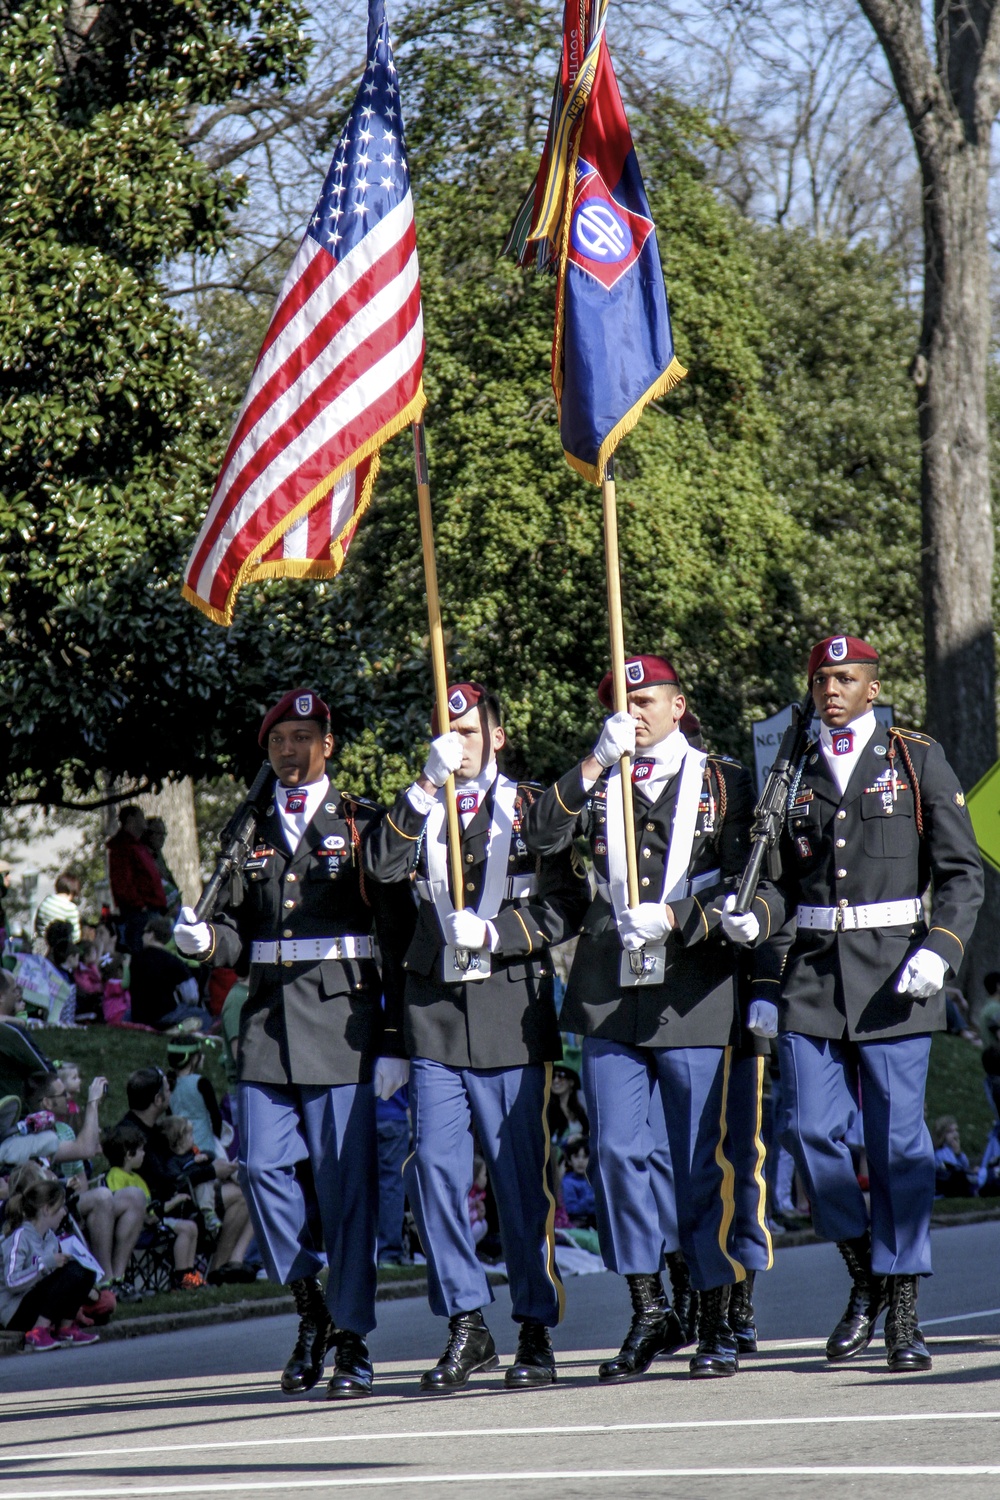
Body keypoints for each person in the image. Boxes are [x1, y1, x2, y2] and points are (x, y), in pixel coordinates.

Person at [726, 634, 984, 1373]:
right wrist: (757, 918)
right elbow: (775, 879)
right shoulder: (794, 767)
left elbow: (963, 874)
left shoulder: (914, 757)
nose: (830, 690)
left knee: (899, 1147)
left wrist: (942, 948)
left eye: (845, 678)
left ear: (874, 687)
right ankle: (864, 1277)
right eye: (820, 680)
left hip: (897, 976)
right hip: (811, 978)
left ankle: (902, 1308)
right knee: (812, 1135)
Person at [521, 653, 769, 1380]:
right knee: (616, 1157)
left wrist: (681, 917)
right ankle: (650, 1306)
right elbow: (540, 836)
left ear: (679, 702)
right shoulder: (600, 780)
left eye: (648, 697)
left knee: (699, 1163)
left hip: (694, 987)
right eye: (621, 702)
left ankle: (719, 1313)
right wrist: (595, 763)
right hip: (610, 992)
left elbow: (758, 887)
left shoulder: (724, 783)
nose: (635, 711)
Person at [173, 687, 412, 1400]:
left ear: (328, 745)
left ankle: (351, 1341)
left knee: (347, 1195)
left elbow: (394, 937)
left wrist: (396, 1036)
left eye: (304, 736)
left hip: (344, 1025)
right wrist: (206, 941)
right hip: (271, 1028)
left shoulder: (364, 823)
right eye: (279, 739)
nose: (290, 749)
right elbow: (243, 935)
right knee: (263, 1172)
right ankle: (311, 1305)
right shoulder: (247, 830)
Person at [364, 681, 590, 1394]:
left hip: (510, 1015)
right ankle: (466, 1320)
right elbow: (381, 876)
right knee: (432, 1170)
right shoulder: (418, 808)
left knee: (521, 1186)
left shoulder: (530, 809)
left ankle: (534, 1325)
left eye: (468, 729)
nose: (456, 741)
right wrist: (423, 785)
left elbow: (568, 903)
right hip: (433, 1015)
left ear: (496, 735)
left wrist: (500, 933)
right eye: (445, 729)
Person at [118, 1067, 253, 1285]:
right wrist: (211, 1172)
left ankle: (229, 1264)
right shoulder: (138, 1137)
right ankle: (219, 1269)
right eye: (167, 1090)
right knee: (241, 1197)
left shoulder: (148, 1128)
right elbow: (169, 1183)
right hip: (165, 1206)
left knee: (244, 1188)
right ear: (158, 1099)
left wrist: (211, 1167)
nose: (171, 1093)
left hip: (180, 1196)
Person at [22, 1071, 145, 1289]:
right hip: (49, 1209)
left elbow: (82, 1178)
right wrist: (93, 1103)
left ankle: (119, 1277)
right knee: (102, 1196)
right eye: (63, 1095)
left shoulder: (65, 1130)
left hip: (73, 1204)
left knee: (134, 1196)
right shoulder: (34, 1137)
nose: (69, 1097)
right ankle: (104, 1281)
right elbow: (87, 1149)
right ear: (48, 1103)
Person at [102, 1121, 206, 1290]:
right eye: (141, 1150)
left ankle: (189, 1274)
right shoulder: (116, 1177)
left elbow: (152, 1208)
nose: (144, 1154)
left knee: (191, 1227)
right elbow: (119, 1208)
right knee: (186, 1229)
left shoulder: (137, 1178)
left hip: (152, 1223)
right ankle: (182, 1278)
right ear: (129, 1154)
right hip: (137, 1229)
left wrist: (174, 1201)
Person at [0, 1178, 99, 1349]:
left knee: (85, 1270)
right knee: (71, 1271)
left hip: (37, 1302)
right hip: (15, 1311)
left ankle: (65, 1328)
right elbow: (12, 1282)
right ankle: (38, 1331)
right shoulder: (20, 1236)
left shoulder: (51, 1238)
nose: (63, 1212)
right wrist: (45, 1265)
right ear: (46, 1209)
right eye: (60, 1207)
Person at [128, 916, 211, 1031]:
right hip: (164, 1015)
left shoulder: (135, 959)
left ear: (151, 934)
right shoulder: (174, 962)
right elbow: (192, 996)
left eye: (144, 932)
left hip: (138, 1016)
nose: (142, 936)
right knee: (203, 1016)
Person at [107, 806, 166, 954]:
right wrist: (139, 905)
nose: (143, 820)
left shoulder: (137, 845)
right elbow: (123, 881)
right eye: (141, 816)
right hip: (140, 913)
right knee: (144, 952)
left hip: (150, 909)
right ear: (131, 819)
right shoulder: (123, 846)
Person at [142, 818, 181, 914]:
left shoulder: (158, 855)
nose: (162, 838)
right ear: (148, 834)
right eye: (158, 834)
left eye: (164, 834)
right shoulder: (141, 856)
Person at [547, 1064, 589, 1148]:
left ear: (571, 1082)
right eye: (553, 1076)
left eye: (561, 1076)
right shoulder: (547, 1110)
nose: (556, 1080)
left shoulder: (581, 1107)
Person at [33, 874, 82, 945]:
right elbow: (76, 938)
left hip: (41, 946)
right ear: (73, 891)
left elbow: (37, 927)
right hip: (60, 950)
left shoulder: (46, 902)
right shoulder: (70, 908)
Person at [561, 1138, 596, 1228]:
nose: (581, 1161)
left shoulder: (594, 1180)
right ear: (569, 1160)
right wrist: (590, 1200)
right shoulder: (568, 1182)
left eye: (585, 1157)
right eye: (576, 1156)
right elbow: (570, 1209)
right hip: (578, 1225)